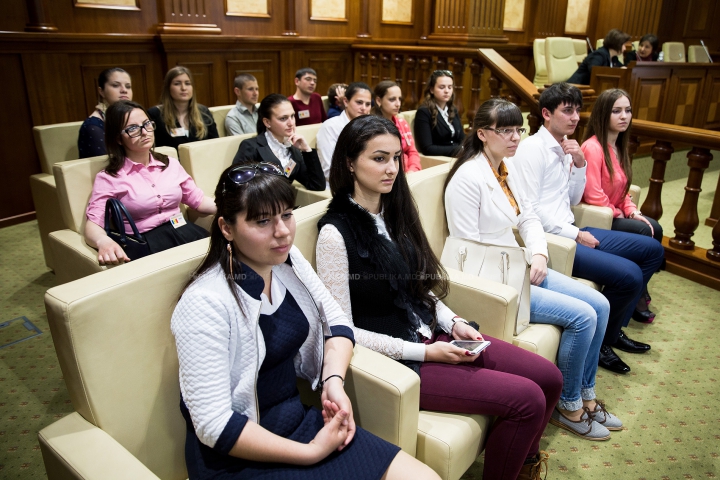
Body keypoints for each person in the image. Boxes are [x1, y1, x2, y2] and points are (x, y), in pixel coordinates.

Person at [316, 115, 564, 479]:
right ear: (350, 162)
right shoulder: (334, 235)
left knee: (550, 377)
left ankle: (525, 465)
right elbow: (344, 331)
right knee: (528, 399)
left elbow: (422, 286)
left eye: (397, 158)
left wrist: (454, 321)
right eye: (379, 158)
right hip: (404, 358)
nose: (392, 169)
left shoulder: (395, 211)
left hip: (435, 334)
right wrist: (426, 352)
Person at [171, 162, 439, 480]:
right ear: (227, 228)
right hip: (237, 457)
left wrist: (333, 382)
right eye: (262, 221)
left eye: (287, 214)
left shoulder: (287, 260)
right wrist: (311, 452)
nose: (283, 231)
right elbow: (214, 426)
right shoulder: (204, 301)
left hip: (301, 426)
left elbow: (337, 323)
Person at [444, 97, 619, 443]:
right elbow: (467, 248)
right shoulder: (467, 178)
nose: (514, 137)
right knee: (584, 316)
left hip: (522, 265)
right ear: (481, 133)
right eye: (504, 130)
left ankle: (586, 394)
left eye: (517, 129)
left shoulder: (505, 167)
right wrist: (519, 272)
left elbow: (528, 217)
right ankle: (568, 406)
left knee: (601, 305)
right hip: (496, 281)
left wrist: (538, 253)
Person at [511, 83, 665, 375]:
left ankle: (613, 330)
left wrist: (579, 164)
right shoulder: (531, 150)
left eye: (577, 110)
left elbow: (569, 199)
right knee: (630, 276)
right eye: (567, 111)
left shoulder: (568, 146)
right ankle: (606, 343)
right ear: (546, 113)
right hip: (558, 238)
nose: (575, 117)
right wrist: (575, 234)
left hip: (571, 227)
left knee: (652, 250)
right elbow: (530, 209)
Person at [84, 100, 215, 266]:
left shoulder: (170, 164)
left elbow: (198, 200)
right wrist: (103, 241)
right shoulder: (110, 177)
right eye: (132, 128)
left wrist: (232, 207)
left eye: (147, 124)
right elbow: (93, 224)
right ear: (118, 138)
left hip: (182, 229)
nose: (144, 132)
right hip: (146, 241)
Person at [581, 88, 662, 323]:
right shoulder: (592, 147)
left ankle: (639, 293)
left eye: (628, 110)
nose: (624, 116)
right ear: (603, 114)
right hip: (598, 217)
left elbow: (623, 190)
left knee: (654, 227)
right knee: (647, 231)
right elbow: (593, 194)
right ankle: (638, 297)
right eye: (617, 111)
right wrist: (620, 213)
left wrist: (632, 211)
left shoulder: (618, 145)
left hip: (615, 213)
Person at [232, 94, 325, 191]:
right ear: (267, 122)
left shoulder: (293, 150)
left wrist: (307, 150)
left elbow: (317, 185)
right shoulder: (251, 146)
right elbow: (236, 187)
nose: (291, 123)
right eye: (283, 118)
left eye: (292, 116)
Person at [148, 66, 219, 150]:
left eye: (187, 83)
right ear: (168, 88)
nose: (184, 88)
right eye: (177, 83)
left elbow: (216, 144)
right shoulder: (155, 114)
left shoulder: (204, 112)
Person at [316, 82, 372, 184]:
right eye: (359, 102)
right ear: (346, 101)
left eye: (368, 104)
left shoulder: (371, 127)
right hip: (340, 186)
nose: (364, 108)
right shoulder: (330, 127)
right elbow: (329, 170)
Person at [78, 67, 132, 158]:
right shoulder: (93, 127)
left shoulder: (133, 117)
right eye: (115, 85)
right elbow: (106, 166)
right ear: (101, 91)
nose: (124, 90)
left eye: (128, 86)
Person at [372, 81, 421, 173]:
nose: (398, 104)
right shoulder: (372, 126)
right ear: (379, 101)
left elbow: (412, 151)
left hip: (409, 173)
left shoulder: (402, 123)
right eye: (392, 99)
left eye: (399, 99)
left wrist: (413, 169)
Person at [414, 70, 465, 157]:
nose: (446, 91)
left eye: (450, 87)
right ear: (431, 90)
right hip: (441, 159)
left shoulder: (453, 109)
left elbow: (462, 138)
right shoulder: (424, 112)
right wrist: (459, 149)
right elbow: (427, 148)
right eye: (442, 87)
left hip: (457, 156)